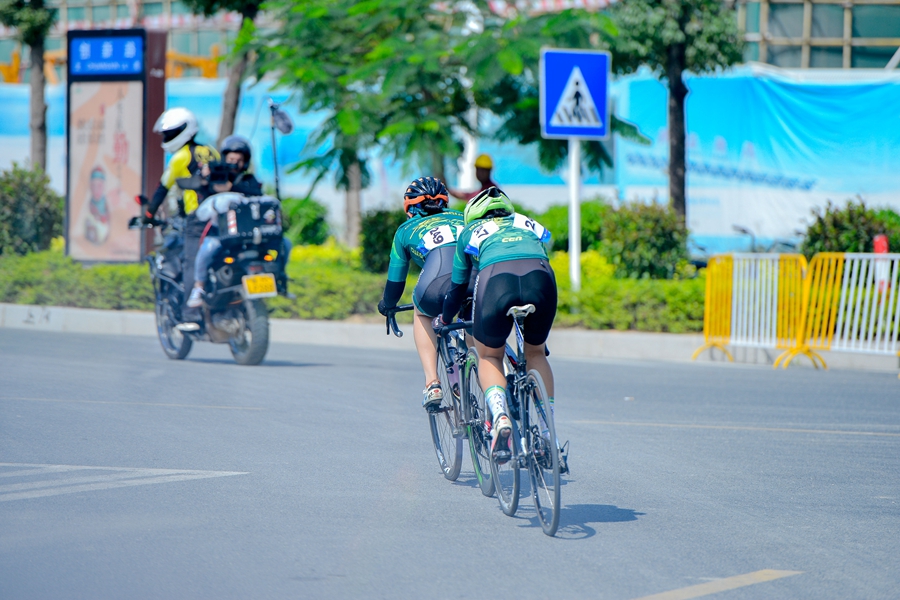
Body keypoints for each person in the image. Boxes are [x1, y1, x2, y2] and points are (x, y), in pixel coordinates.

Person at [438, 186, 558, 464]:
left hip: (496, 279)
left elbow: (457, 289)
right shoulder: (527, 221)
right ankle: (547, 431)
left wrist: (444, 320)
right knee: (536, 352)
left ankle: (500, 416)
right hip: (540, 278)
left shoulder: (468, 233)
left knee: (490, 354)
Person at [377, 176, 465, 409]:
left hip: (436, 284)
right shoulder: (464, 217)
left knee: (422, 311)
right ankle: (482, 367)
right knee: (473, 319)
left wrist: (387, 304)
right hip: (477, 279)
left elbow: (396, 282)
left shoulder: (405, 230)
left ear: (410, 207)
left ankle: (432, 382)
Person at [186, 135, 285, 308]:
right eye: (231, 160)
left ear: (245, 162)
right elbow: (199, 192)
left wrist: (231, 188)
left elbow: (255, 192)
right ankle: (199, 287)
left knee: (287, 244)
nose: (235, 164)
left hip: (247, 236)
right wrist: (204, 177)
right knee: (208, 249)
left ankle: (281, 278)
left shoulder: (248, 180)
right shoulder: (213, 177)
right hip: (220, 235)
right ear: (224, 159)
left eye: (239, 160)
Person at [141, 107, 219, 319]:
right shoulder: (211, 151)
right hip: (220, 215)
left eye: (170, 133)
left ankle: (190, 316)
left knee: (190, 263)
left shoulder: (179, 158)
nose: (167, 138)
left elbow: (161, 190)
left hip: (197, 219)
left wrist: (148, 215)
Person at [83, 167, 110, 245]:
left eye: (99, 186)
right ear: (90, 186)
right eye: (94, 186)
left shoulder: (107, 205)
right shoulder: (88, 206)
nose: (96, 189)